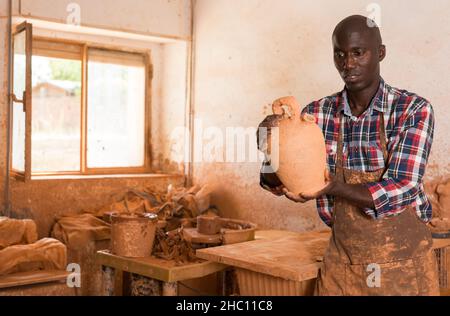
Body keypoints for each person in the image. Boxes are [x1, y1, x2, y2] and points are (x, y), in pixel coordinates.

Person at [259, 15, 439, 296]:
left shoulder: (412, 110)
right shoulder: (316, 114)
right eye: (339, 54)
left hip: (403, 269)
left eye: (358, 53)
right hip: (342, 267)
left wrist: (333, 187)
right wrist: (268, 142)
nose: (348, 63)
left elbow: (403, 186)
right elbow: (270, 177)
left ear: (380, 53)